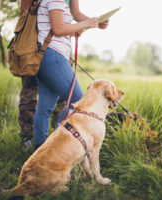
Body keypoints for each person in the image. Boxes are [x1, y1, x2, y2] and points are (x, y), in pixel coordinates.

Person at [19, 0, 109, 150]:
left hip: (46, 56)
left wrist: (76, 29)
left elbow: (54, 28)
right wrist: (85, 23)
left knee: (45, 108)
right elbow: (59, 29)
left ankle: (41, 150)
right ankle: (56, 146)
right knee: (78, 102)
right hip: (54, 56)